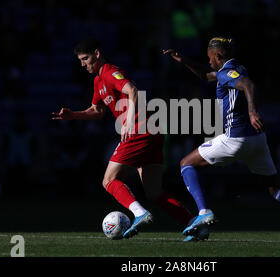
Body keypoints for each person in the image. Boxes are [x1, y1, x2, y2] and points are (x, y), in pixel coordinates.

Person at [163, 37, 280, 245]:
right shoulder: (233, 68)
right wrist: (184, 60)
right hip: (257, 141)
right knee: (275, 188)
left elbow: (248, 84)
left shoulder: (227, 73)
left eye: (211, 59)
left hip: (236, 139)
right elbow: (206, 75)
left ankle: (204, 211)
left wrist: (252, 111)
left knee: (185, 163)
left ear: (219, 56)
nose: (210, 62)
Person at [53, 38, 195, 240]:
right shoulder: (98, 81)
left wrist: (128, 121)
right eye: (80, 61)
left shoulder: (110, 72)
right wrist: (74, 115)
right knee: (154, 192)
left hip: (139, 129)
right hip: (152, 132)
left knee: (109, 180)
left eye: (86, 59)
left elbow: (132, 90)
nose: (83, 64)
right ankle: (193, 224)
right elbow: (98, 111)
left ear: (97, 54)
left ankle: (140, 213)